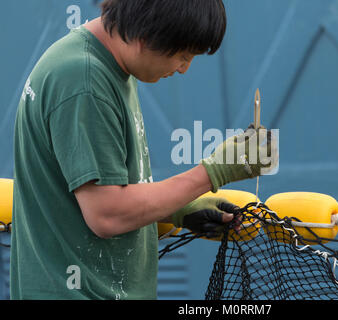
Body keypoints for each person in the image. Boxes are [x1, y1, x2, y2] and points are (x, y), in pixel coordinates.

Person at [11, 0, 277, 299]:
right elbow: (106, 215)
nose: (184, 69)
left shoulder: (107, 63)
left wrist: (179, 210)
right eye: (182, 55)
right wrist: (215, 171)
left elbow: (105, 187)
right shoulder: (83, 80)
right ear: (145, 35)